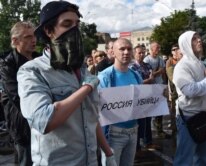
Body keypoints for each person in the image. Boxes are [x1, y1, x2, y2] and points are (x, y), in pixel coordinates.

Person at [16, 1, 115, 165]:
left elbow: (91, 118)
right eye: (67, 24)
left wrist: (108, 153)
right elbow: (44, 121)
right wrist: (86, 88)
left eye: (77, 24)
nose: (74, 30)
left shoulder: (82, 70)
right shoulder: (32, 71)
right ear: (49, 31)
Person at [0, 21, 40, 166]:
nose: (34, 40)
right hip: (21, 124)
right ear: (15, 40)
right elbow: (16, 96)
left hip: (44, 121)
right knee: (25, 160)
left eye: (34, 35)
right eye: (28, 37)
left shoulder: (41, 59)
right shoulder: (7, 63)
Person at [98, 38, 143, 166]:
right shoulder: (105, 77)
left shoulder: (136, 75)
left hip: (133, 131)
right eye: (122, 49)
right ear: (113, 52)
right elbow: (97, 107)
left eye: (129, 49)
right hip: (113, 134)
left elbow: (142, 101)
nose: (126, 52)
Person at [173, 31, 206, 166]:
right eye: (194, 39)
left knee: (205, 158)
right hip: (188, 119)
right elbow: (190, 91)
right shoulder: (182, 66)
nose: (199, 40)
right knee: (184, 160)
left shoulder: (202, 64)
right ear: (185, 44)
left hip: (204, 117)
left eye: (199, 37)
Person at [129, 45, 157, 151]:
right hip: (137, 97)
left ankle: (148, 141)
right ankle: (136, 146)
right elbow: (135, 83)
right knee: (138, 122)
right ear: (134, 53)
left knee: (148, 120)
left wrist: (149, 80)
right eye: (139, 53)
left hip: (148, 96)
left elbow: (152, 78)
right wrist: (148, 80)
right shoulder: (131, 67)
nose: (141, 55)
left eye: (143, 53)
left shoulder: (147, 65)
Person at [143, 41, 166, 138]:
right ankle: (150, 132)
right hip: (151, 88)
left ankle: (160, 130)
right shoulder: (147, 60)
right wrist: (158, 72)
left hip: (159, 86)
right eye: (157, 48)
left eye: (159, 48)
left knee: (160, 109)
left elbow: (163, 71)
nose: (159, 50)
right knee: (151, 109)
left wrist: (164, 84)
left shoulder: (160, 59)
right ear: (151, 49)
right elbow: (148, 75)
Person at [166, 44, 182, 138]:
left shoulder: (182, 60)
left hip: (183, 91)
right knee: (174, 112)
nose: (175, 51)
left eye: (177, 49)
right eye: (173, 50)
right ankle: (174, 131)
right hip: (174, 92)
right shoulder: (170, 61)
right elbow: (173, 78)